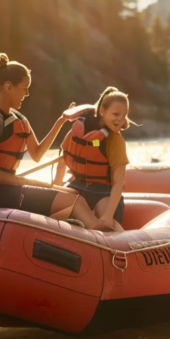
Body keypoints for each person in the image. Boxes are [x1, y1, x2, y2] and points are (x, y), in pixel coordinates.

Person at [0, 53, 97, 223]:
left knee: (75, 195)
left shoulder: (18, 119)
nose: (27, 93)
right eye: (24, 87)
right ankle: (106, 241)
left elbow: (37, 154)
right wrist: (38, 184)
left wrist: (61, 122)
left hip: (1, 189)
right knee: (75, 201)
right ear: (8, 86)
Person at [52, 87, 134, 232]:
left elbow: (118, 183)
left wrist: (108, 216)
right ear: (102, 111)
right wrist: (56, 188)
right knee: (73, 203)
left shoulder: (116, 141)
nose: (120, 120)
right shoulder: (78, 131)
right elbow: (62, 162)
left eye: (124, 115)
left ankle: (119, 240)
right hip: (78, 187)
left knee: (103, 213)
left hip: (105, 193)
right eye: (115, 114)